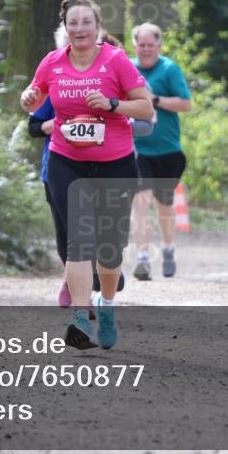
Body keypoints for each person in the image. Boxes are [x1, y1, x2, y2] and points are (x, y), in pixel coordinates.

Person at [21, 0, 154, 349]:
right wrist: (28, 97)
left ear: (97, 27)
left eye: (86, 23)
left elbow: (145, 107)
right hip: (67, 161)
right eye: (73, 23)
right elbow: (36, 98)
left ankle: (106, 306)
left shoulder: (116, 60)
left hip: (115, 164)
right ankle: (80, 319)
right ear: (66, 27)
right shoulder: (52, 62)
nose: (79, 29)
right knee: (78, 242)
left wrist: (112, 105)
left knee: (109, 251)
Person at [28, 26, 144, 306]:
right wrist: (60, 124)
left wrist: (113, 109)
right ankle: (82, 289)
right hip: (59, 166)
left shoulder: (114, 77)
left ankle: (101, 276)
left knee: (98, 232)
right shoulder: (56, 80)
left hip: (108, 166)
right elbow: (32, 125)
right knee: (66, 237)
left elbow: (143, 113)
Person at [129, 23, 192, 280]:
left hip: (167, 150)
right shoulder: (128, 69)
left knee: (164, 205)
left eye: (150, 45)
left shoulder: (169, 69)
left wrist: (153, 100)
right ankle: (143, 257)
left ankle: (168, 248)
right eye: (141, 45)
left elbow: (185, 103)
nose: (145, 50)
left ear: (158, 46)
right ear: (134, 46)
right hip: (137, 149)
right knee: (140, 200)